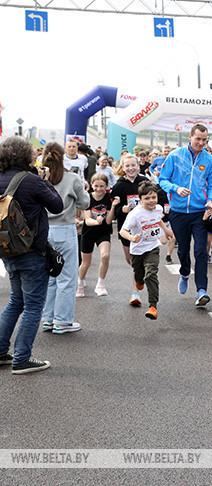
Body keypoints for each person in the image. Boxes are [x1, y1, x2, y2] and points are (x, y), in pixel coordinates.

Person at [0, 137, 63, 374]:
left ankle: (0, 352)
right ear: (26, 156)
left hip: (7, 248)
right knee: (34, 305)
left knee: (16, 301)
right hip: (31, 250)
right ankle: (22, 359)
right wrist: (44, 181)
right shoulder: (32, 181)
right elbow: (57, 205)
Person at [158, 124, 212, 307]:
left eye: (204, 140)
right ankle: (185, 273)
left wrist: (211, 200)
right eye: (198, 139)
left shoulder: (208, 159)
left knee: (201, 251)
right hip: (178, 212)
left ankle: (202, 290)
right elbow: (162, 179)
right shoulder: (175, 155)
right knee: (183, 250)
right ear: (190, 138)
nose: (201, 143)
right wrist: (176, 189)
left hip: (199, 212)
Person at [41, 142, 90, 334]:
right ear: (63, 157)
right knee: (67, 278)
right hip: (64, 228)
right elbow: (84, 203)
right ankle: (62, 321)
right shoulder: (71, 177)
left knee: (50, 277)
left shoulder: (38, 178)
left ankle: (48, 318)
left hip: (43, 230)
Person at [120, 181, 174, 319]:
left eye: (153, 197)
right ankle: (139, 281)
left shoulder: (158, 209)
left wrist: (166, 230)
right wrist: (132, 238)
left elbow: (158, 220)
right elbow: (122, 231)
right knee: (139, 276)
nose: (151, 201)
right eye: (147, 198)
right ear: (140, 199)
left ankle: (153, 306)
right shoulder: (135, 214)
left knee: (151, 274)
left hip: (152, 247)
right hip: (137, 250)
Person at [77, 173, 119, 297]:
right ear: (91, 185)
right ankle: (80, 284)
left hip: (103, 232)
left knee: (105, 256)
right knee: (86, 263)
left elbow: (108, 220)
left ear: (107, 186)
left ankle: (100, 285)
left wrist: (113, 207)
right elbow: (87, 220)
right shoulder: (88, 198)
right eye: (96, 186)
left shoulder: (109, 198)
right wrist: (97, 221)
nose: (99, 189)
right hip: (88, 232)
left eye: (102, 186)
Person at [113, 154, 151, 265]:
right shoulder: (118, 186)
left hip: (144, 224)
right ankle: (138, 279)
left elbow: (153, 199)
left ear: (138, 167)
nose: (131, 168)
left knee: (145, 257)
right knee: (131, 259)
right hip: (126, 226)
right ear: (123, 168)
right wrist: (121, 209)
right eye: (127, 166)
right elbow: (114, 209)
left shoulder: (145, 182)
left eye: (133, 165)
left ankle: (140, 280)